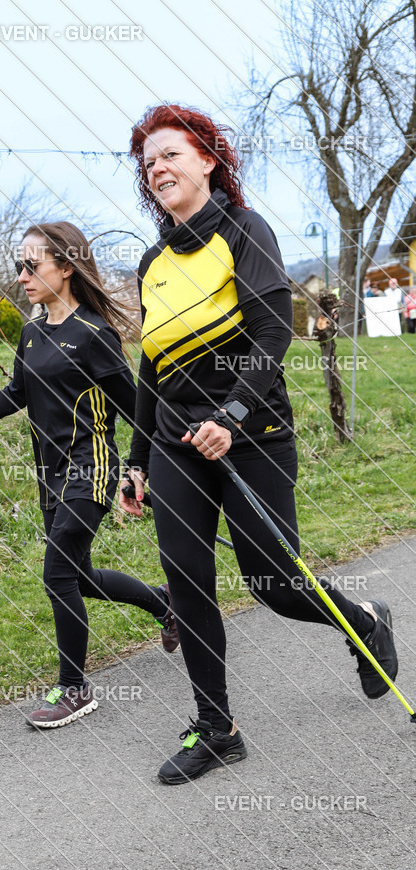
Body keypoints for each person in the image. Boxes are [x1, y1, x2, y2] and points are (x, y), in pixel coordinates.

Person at [119, 103, 399, 785]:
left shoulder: (244, 231)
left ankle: (364, 619)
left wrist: (233, 414)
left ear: (207, 160)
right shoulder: (153, 262)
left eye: (171, 154)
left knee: (273, 583)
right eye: (148, 162)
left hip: (253, 436)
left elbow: (273, 333)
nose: (157, 168)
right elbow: (152, 366)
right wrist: (136, 460)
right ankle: (218, 729)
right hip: (177, 442)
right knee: (187, 581)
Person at [0, 221, 179, 729]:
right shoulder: (33, 332)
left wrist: (140, 469)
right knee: (80, 577)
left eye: (31, 265)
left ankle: (75, 688)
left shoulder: (95, 335)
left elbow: (137, 410)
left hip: (92, 468)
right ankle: (165, 604)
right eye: (19, 266)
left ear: (65, 267)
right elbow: (15, 395)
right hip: (51, 475)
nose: (21, 276)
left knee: (57, 575)